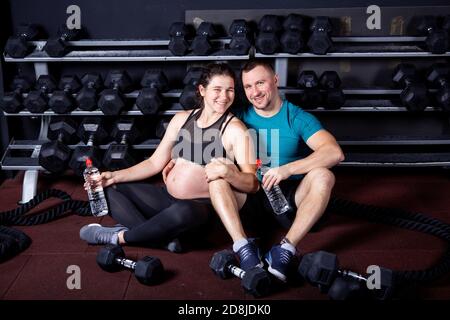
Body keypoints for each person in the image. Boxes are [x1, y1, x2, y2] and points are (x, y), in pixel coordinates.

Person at [163, 60, 344, 280]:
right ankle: (243, 248)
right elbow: (204, 126)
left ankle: (285, 250)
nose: (255, 92)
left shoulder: (296, 117)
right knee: (220, 177)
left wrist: (286, 169)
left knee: (324, 175)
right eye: (248, 87)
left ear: (275, 81)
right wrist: (180, 158)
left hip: (288, 197)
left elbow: (334, 153)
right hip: (250, 196)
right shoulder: (238, 114)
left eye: (260, 83)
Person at [79, 63, 258, 252]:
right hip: (168, 199)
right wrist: (113, 176)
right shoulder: (182, 119)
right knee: (107, 189)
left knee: (185, 212)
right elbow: (154, 163)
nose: (224, 96)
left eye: (230, 90)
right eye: (217, 89)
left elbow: (252, 183)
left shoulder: (235, 129)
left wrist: (227, 173)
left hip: (201, 210)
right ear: (202, 90)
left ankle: (120, 237)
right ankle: (163, 239)